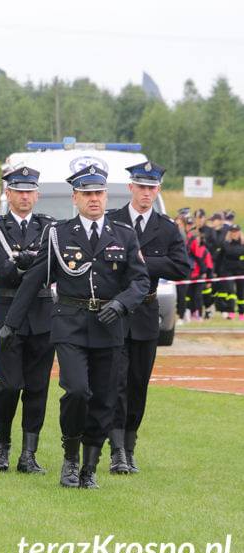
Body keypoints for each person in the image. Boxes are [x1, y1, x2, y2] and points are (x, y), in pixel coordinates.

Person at [0, 165, 149, 489]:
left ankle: (90, 467)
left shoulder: (123, 234)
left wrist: (122, 303)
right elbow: (34, 280)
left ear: (106, 196)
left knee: (104, 399)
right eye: (87, 194)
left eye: (98, 193)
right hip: (70, 324)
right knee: (77, 391)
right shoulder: (58, 234)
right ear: (75, 198)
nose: (93, 199)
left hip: (109, 327)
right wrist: (11, 323)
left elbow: (140, 280)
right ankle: (70, 458)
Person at [106, 160, 190, 475]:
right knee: (116, 381)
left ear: (158, 190)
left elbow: (182, 268)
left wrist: (144, 261)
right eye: (140, 186)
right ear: (131, 187)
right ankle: (116, 451)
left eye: (151, 188)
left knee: (138, 382)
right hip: (114, 312)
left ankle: (129, 447)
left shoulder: (167, 228)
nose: (146, 193)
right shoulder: (111, 221)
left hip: (144, 313)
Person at [0, 167, 56, 474]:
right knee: (9, 385)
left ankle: (29, 453)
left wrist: (26, 260)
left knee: (38, 386)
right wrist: (32, 262)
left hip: (41, 316)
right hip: (6, 314)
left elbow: (54, 267)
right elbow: (1, 269)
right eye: (19, 191)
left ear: (37, 195)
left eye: (30, 191)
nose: (25, 196)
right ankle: (3, 443)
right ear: (9, 194)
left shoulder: (50, 226)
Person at [217, 224, 244, 320]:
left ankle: (242, 312)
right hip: (228, 271)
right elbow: (219, 258)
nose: (234, 234)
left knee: (241, 292)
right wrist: (217, 271)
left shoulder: (242, 244)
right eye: (232, 232)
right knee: (230, 291)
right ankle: (231, 311)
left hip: (241, 271)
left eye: (236, 232)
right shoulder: (225, 244)